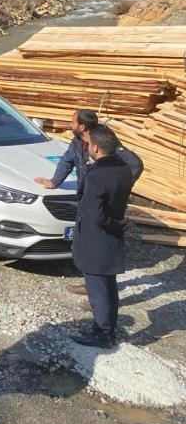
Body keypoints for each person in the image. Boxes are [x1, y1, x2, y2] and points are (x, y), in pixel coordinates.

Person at [35, 110, 143, 296]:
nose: (70, 125)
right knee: (87, 244)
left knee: (103, 247)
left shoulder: (104, 138)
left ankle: (101, 295)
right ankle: (91, 285)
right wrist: (54, 182)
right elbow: (67, 161)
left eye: (72, 122)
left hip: (106, 204)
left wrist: (118, 187)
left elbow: (135, 164)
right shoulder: (77, 141)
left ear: (82, 126)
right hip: (87, 200)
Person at [70, 126, 135, 349]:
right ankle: (111, 329)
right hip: (112, 239)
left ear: (95, 148)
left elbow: (96, 214)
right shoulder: (125, 169)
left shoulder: (96, 175)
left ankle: (102, 333)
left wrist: (114, 224)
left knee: (97, 286)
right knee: (110, 285)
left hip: (95, 239)